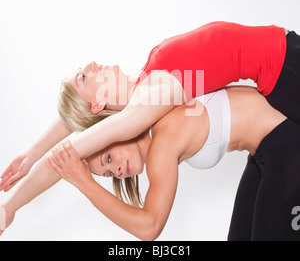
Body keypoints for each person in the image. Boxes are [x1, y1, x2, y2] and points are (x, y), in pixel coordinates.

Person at [1, 22, 299, 193]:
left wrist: (28, 156)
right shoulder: (143, 106)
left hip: (283, 64)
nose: (91, 65)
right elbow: (67, 153)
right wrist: (9, 207)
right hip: (284, 68)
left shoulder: (144, 79)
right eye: (83, 76)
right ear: (97, 104)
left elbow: (72, 121)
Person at [1, 86, 300, 240]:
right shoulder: (146, 98)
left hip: (287, 143)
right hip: (264, 153)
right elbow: (81, 113)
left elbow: (150, 228)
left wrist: (84, 182)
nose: (117, 171)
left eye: (108, 158)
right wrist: (32, 155)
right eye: (108, 173)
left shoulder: (162, 142)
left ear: (113, 129)